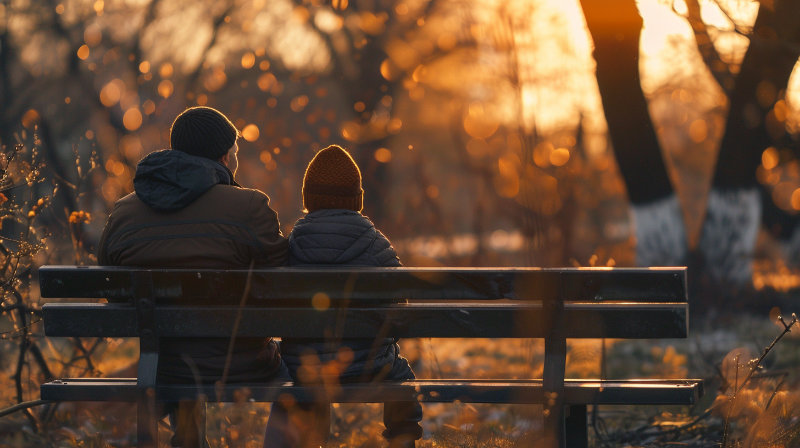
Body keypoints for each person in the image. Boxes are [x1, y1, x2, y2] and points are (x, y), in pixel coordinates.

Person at [98, 106, 294, 448]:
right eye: (234, 153)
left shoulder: (124, 211)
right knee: (304, 374)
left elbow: (110, 287)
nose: (235, 161)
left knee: (180, 350)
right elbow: (283, 282)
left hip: (161, 363)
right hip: (242, 363)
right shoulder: (248, 207)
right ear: (222, 157)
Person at [275, 144, 422, 448]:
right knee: (402, 376)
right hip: (369, 365)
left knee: (303, 372)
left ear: (307, 199)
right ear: (357, 199)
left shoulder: (290, 245)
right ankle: (402, 440)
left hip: (304, 367)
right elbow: (400, 304)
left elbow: (275, 304)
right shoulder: (376, 243)